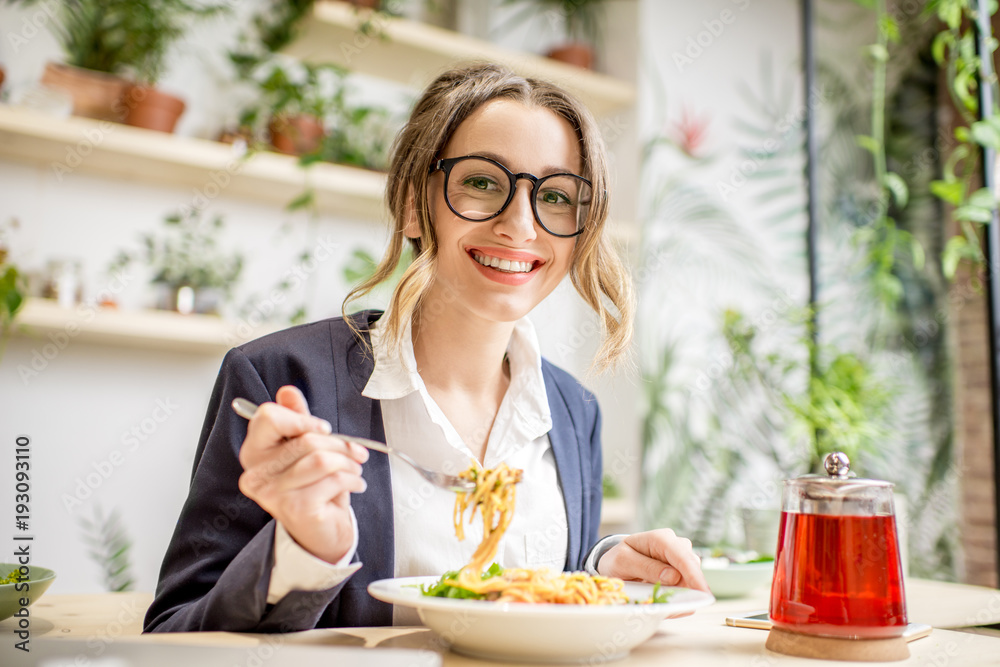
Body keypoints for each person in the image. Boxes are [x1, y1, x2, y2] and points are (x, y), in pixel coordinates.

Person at [144, 61, 707, 633]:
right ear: (414, 203)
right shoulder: (279, 379)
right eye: (483, 182)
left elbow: (535, 593)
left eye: (557, 195)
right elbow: (174, 632)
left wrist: (601, 565)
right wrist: (306, 551)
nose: (521, 225)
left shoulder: (571, 408)